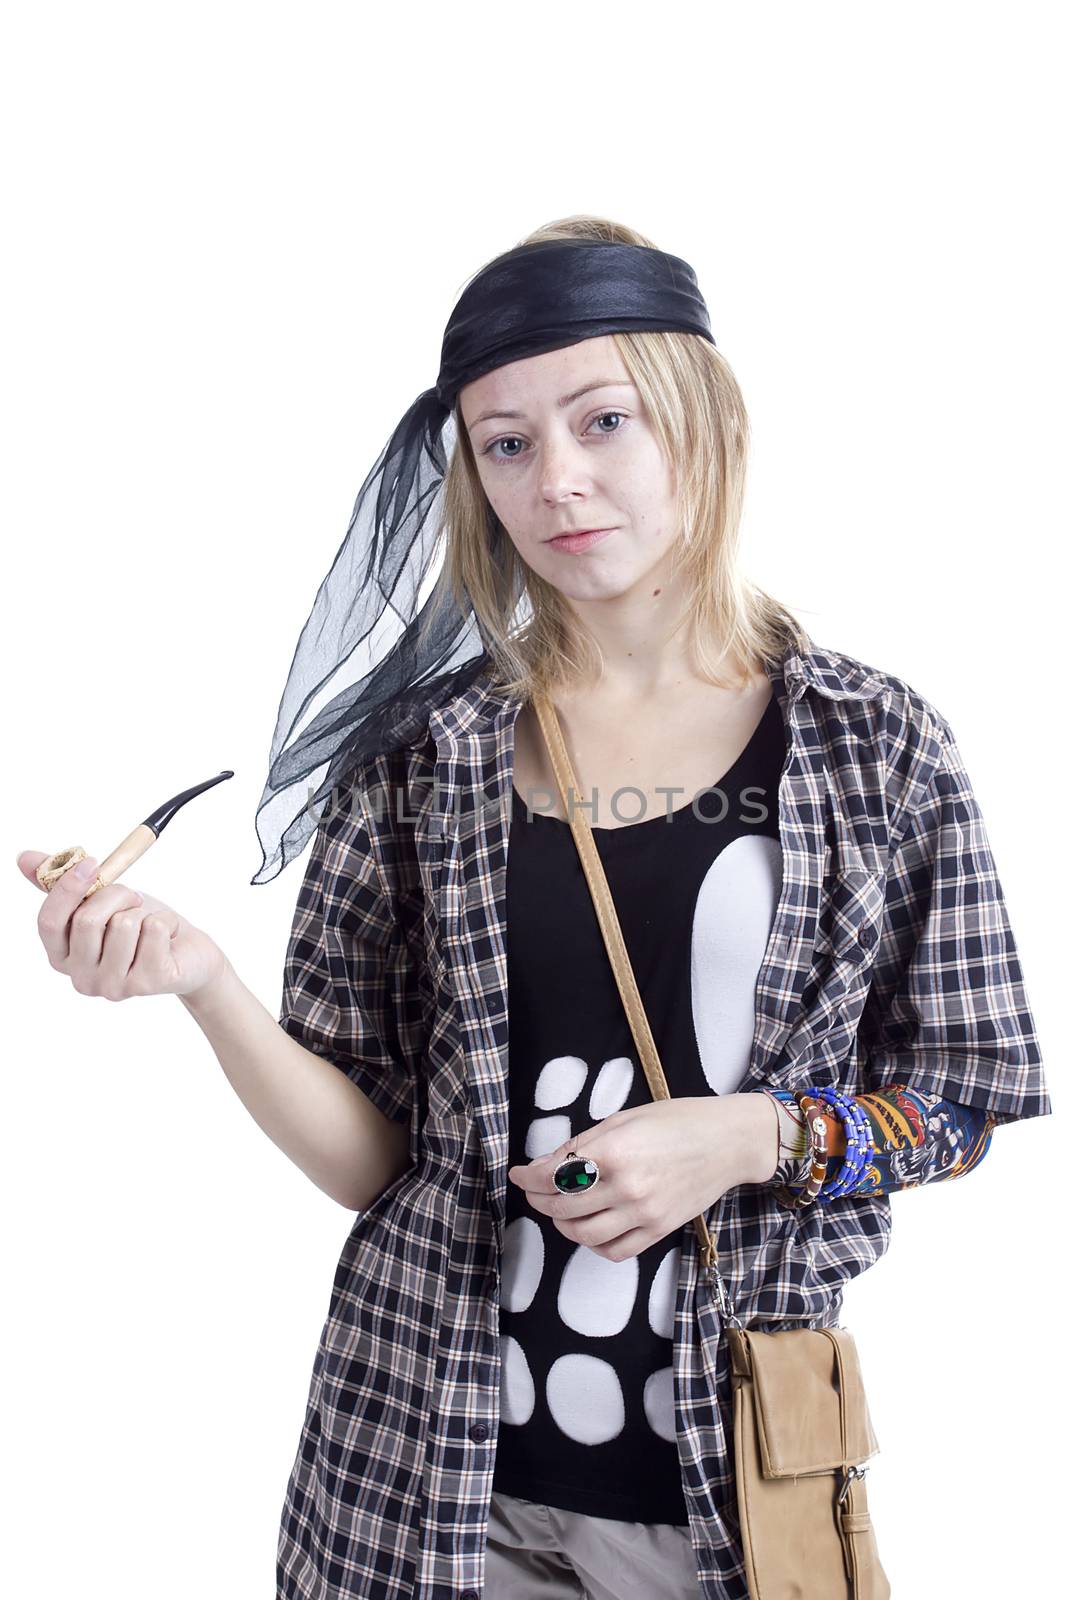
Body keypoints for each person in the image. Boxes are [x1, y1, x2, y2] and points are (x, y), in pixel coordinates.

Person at [18, 215, 1051, 1600]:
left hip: (732, 1483)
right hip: (420, 1478)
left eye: (602, 420)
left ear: (701, 420)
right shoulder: (421, 755)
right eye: (505, 442)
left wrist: (753, 1137)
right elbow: (374, 1164)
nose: (556, 479)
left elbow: (967, 1102)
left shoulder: (876, 749)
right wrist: (204, 981)